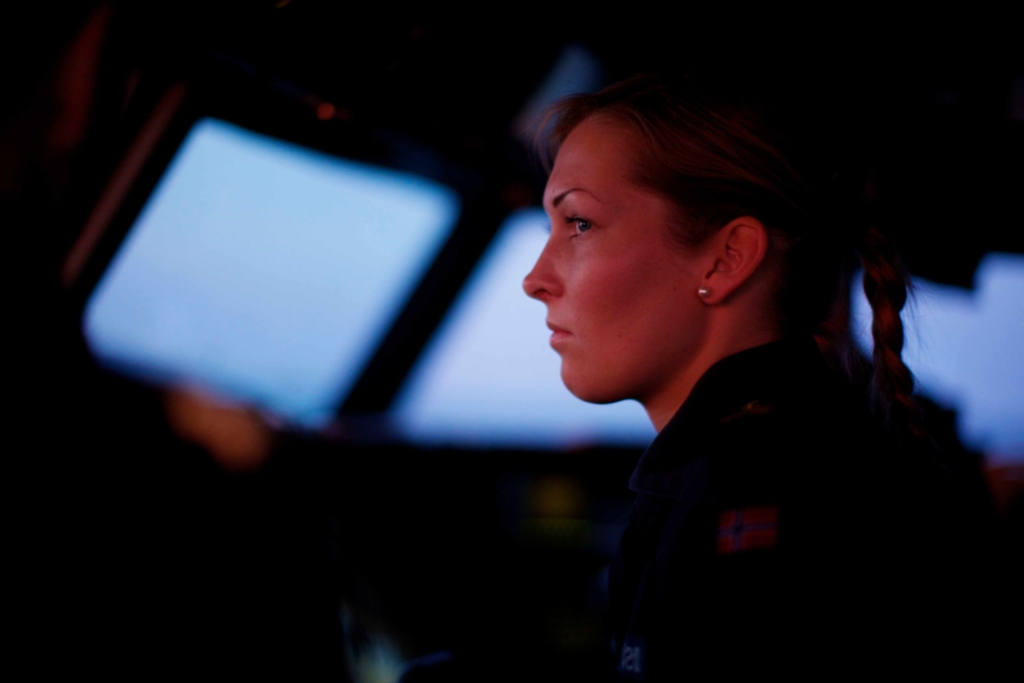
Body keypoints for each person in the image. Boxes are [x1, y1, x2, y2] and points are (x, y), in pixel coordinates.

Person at [522, 76, 966, 678]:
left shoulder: (765, 500)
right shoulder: (788, 455)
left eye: (578, 223)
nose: (535, 278)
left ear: (727, 258)